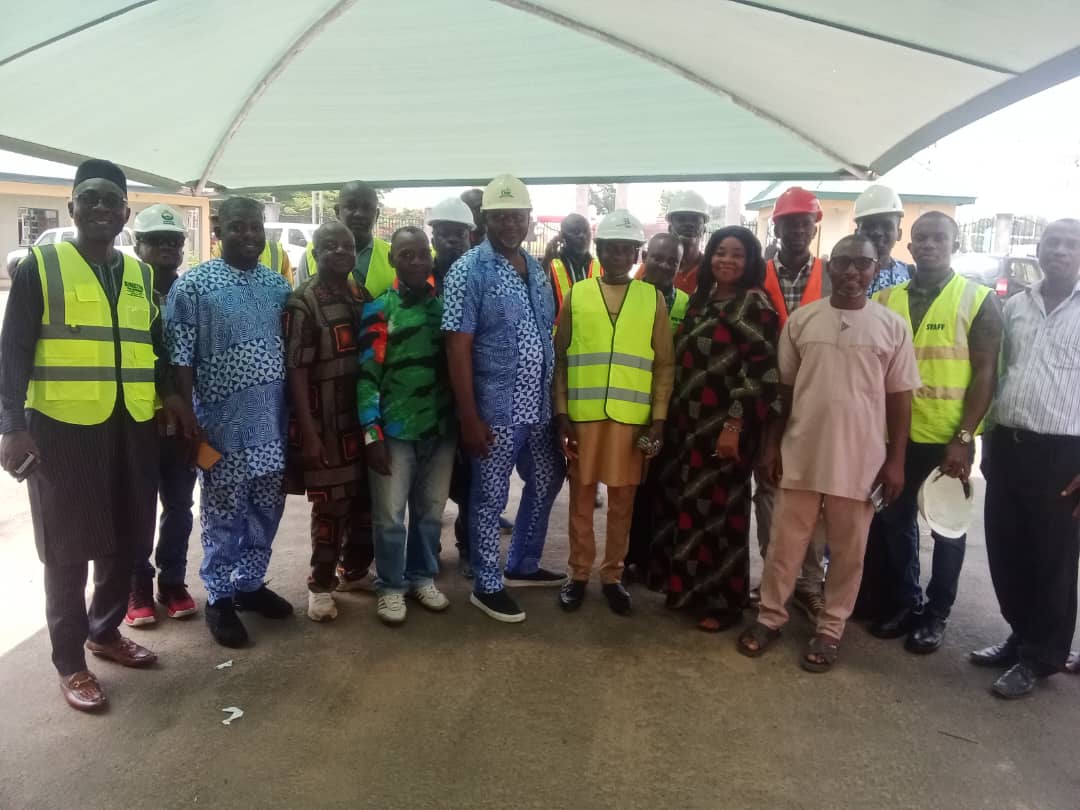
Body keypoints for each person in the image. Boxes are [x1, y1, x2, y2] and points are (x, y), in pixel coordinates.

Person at [0, 159, 190, 711]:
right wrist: (11, 425)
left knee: (127, 536)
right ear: (73, 208)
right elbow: (11, 353)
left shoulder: (137, 273)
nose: (103, 208)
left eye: (113, 200)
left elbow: (150, 347)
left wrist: (170, 397)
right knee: (66, 549)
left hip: (131, 426)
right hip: (60, 430)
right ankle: (70, 662)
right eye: (92, 199)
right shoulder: (41, 265)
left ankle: (103, 633)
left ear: (126, 213)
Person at [737, 234, 919, 671]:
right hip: (801, 452)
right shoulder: (802, 320)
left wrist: (895, 462)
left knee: (849, 550)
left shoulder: (891, 327)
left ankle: (830, 629)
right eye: (844, 263)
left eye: (863, 264)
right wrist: (771, 446)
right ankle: (770, 617)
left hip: (860, 460)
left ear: (876, 270)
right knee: (785, 545)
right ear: (830, 266)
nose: (853, 272)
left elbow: (900, 400)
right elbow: (783, 389)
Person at [863, 211, 1001, 653]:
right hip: (894, 436)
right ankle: (908, 602)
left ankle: (936, 614)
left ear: (954, 243)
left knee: (948, 529)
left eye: (938, 238)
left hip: (948, 441)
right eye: (921, 238)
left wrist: (964, 438)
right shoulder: (884, 299)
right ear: (909, 245)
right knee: (895, 524)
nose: (928, 245)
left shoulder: (977, 299)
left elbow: (985, 374)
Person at [166, 197, 294, 648]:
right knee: (223, 516)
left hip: (272, 426)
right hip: (220, 427)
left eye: (255, 227)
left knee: (267, 511)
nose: (248, 236)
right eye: (238, 228)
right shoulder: (193, 288)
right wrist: (189, 420)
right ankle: (218, 599)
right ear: (219, 229)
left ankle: (250, 585)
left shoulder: (278, 285)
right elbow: (179, 359)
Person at [442, 174, 566, 623]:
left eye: (518, 216)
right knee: (489, 497)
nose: (511, 224)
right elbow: (457, 346)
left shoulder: (535, 269)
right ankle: (487, 584)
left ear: (530, 220)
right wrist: (468, 416)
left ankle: (523, 564)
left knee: (550, 476)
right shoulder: (469, 270)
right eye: (501, 217)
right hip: (494, 409)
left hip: (537, 408)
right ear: (486, 220)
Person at [649, 227, 781, 631]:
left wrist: (735, 424)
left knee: (722, 515)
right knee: (687, 508)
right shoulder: (702, 300)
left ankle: (724, 601)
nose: (726, 260)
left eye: (737, 255)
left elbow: (762, 372)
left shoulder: (755, 304)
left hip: (725, 427)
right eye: (719, 252)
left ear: (751, 261)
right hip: (687, 425)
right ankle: (687, 591)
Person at [970, 218, 1080, 698]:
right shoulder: (1014, 305)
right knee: (1006, 547)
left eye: (1071, 245)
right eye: (1051, 242)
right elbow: (1000, 376)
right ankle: (1020, 634)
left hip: (1064, 455)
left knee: (1052, 559)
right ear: (1037, 249)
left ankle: (1042, 657)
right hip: (1009, 444)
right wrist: (988, 441)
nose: (1059, 251)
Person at [552, 211, 673, 615]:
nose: (619, 256)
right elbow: (561, 358)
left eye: (626, 249)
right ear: (599, 251)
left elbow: (664, 365)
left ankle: (613, 575)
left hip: (631, 419)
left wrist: (658, 420)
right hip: (584, 419)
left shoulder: (651, 298)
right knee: (581, 499)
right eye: (611, 248)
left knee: (623, 502)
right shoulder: (577, 294)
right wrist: (561, 413)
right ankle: (579, 573)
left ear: (635, 253)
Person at [359, 226, 455, 625]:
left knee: (431, 512)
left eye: (422, 254)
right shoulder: (380, 309)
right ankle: (391, 586)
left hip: (441, 430)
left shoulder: (447, 307)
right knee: (390, 516)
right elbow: (366, 377)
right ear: (393, 260)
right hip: (394, 433)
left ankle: (422, 577)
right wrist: (372, 434)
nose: (416, 261)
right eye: (406, 254)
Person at [283, 222, 374, 623]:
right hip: (326, 423)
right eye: (330, 246)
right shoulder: (303, 302)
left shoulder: (362, 295)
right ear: (315, 254)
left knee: (365, 504)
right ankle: (320, 584)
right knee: (331, 508)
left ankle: (352, 572)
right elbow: (296, 371)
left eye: (348, 246)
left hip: (363, 419)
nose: (340, 252)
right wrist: (309, 432)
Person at [754, 186, 830, 617]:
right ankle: (774, 576)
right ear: (777, 226)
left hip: (816, 399)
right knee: (767, 487)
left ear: (814, 225)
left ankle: (808, 581)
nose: (798, 229)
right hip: (766, 397)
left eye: (805, 221)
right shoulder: (757, 274)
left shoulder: (833, 273)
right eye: (789, 222)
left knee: (810, 493)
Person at [124, 204, 199, 627]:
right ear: (139, 245)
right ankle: (137, 584)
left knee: (179, 503)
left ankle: (172, 582)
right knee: (138, 507)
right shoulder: (126, 288)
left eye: (175, 241)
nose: (168, 249)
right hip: (137, 419)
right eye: (157, 241)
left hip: (183, 420)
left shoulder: (191, 292)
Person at [625, 233, 687, 575]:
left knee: (664, 486)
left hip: (670, 411)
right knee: (633, 488)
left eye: (672, 262)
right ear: (645, 256)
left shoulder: (686, 304)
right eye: (658, 258)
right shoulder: (626, 297)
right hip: (630, 408)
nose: (664, 266)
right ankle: (630, 558)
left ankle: (656, 559)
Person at [298, 181, 394, 295]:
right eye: (351, 206)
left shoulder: (395, 257)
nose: (359, 214)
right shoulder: (312, 253)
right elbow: (299, 302)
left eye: (367, 208)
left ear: (377, 215)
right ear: (338, 211)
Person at [855, 184, 911, 296]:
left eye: (886, 225)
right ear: (856, 233)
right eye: (869, 225)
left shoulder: (910, 275)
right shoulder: (842, 272)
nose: (877, 232)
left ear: (899, 234)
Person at [211, 214, 293, 285]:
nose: (249, 234)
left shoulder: (277, 252)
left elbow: (288, 293)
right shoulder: (219, 249)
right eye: (238, 228)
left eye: (255, 227)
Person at [545, 213, 602, 314]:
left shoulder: (601, 268)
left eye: (586, 231)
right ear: (562, 235)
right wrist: (546, 262)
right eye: (576, 231)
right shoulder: (550, 266)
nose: (582, 236)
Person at [665, 190, 709, 294]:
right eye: (681, 219)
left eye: (695, 219)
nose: (689, 224)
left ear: (704, 230)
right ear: (670, 228)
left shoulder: (712, 269)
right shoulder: (654, 267)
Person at [429, 197, 476, 292]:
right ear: (433, 242)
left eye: (460, 234)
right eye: (444, 233)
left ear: (470, 241)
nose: (453, 240)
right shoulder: (420, 277)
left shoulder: (482, 278)